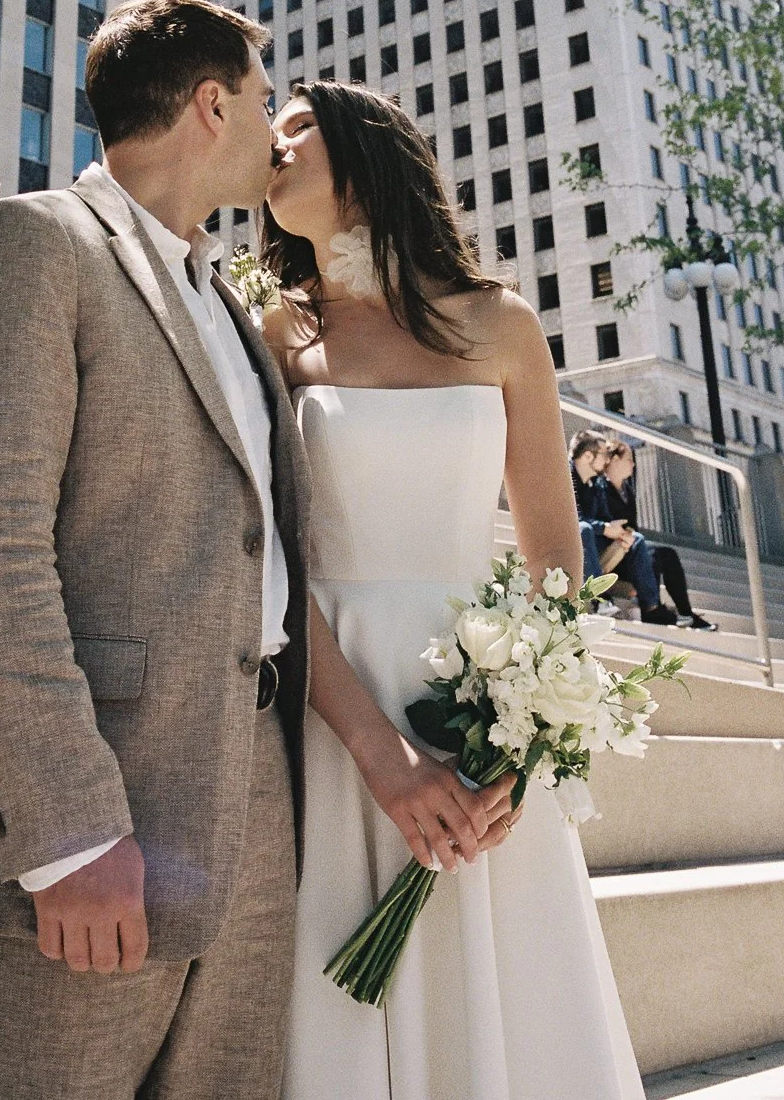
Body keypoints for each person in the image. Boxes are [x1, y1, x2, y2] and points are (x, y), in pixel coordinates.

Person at [0, 0, 311, 1100]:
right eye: (265, 104)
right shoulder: (30, 245)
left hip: (253, 800)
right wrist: (71, 832)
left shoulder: (224, 303)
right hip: (85, 816)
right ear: (212, 105)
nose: (276, 132)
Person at [262, 81, 644, 1100]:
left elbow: (554, 566)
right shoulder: (275, 335)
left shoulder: (500, 324)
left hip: (481, 701)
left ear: (366, 152)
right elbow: (272, 566)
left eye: (297, 125)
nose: (273, 141)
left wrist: (528, 746)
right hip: (328, 699)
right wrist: (378, 749)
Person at [602, 439, 718, 631]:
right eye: (628, 459)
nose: (633, 464)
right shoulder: (601, 489)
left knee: (667, 554)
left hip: (630, 548)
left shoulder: (627, 491)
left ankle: (686, 612)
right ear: (613, 460)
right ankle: (651, 611)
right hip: (612, 554)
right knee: (652, 556)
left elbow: (633, 527)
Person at [569, 428, 679, 628]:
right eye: (603, 455)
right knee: (584, 528)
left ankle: (652, 607)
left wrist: (620, 533)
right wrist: (604, 528)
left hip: (592, 546)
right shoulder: (565, 477)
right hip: (568, 543)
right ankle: (598, 598)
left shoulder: (597, 484)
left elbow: (606, 520)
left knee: (635, 539)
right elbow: (571, 520)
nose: (607, 460)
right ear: (587, 455)